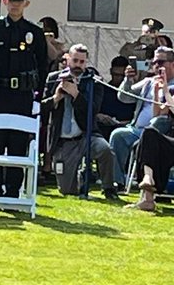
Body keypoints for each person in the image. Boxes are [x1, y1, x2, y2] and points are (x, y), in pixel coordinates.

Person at [0, 0, 49, 197]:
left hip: (22, 95)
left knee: (18, 143)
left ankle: (14, 190)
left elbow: (42, 67)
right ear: (4, 1)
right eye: (11, 1)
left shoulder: (33, 32)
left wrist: (38, 98)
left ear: (26, 3)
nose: (15, 5)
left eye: (20, 1)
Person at [39, 44, 117, 198]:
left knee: (105, 150)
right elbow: (41, 108)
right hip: (63, 140)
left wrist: (76, 95)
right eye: (75, 61)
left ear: (86, 62)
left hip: (86, 135)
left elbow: (93, 110)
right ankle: (80, 179)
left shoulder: (94, 81)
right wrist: (56, 98)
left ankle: (108, 188)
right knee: (67, 191)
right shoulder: (54, 78)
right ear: (68, 60)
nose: (78, 65)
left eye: (82, 62)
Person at [108, 52, 167, 187]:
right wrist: (128, 80)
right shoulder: (148, 82)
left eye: (160, 62)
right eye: (154, 63)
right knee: (118, 135)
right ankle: (118, 181)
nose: (156, 66)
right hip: (136, 130)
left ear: (172, 64)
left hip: (161, 133)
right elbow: (124, 97)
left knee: (152, 132)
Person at [127, 51, 174, 212]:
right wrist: (156, 91)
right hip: (170, 140)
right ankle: (147, 181)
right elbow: (157, 114)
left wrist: (166, 89)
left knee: (143, 144)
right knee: (149, 134)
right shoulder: (167, 90)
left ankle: (147, 196)